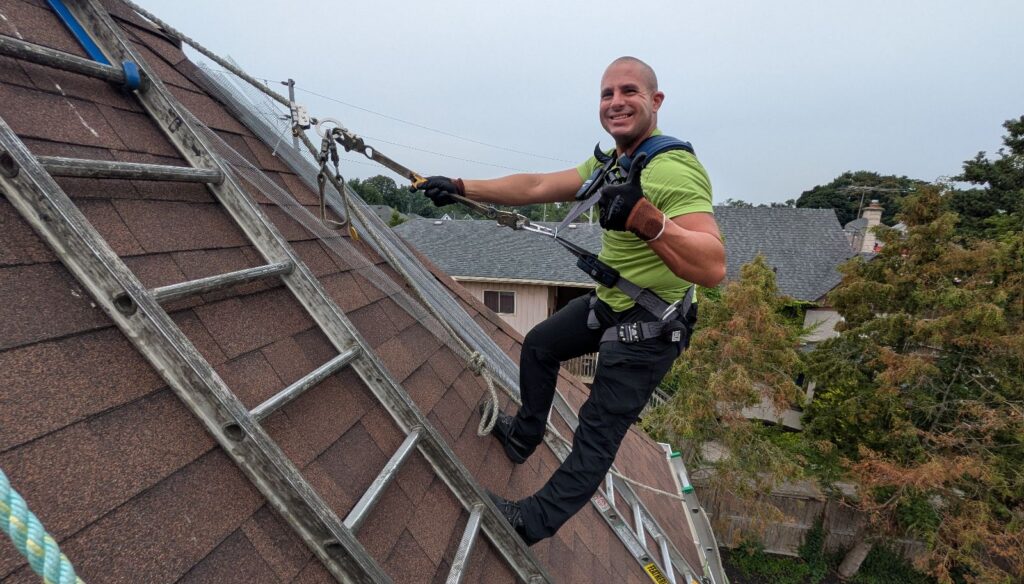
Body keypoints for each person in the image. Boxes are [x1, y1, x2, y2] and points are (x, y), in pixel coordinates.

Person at [414, 56, 726, 545]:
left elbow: (712, 266)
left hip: (649, 328)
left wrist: (650, 221)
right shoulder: (613, 164)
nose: (617, 102)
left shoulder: (672, 170)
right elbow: (538, 185)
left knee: (595, 433)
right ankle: (524, 437)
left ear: (655, 101)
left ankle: (529, 523)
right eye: (607, 94)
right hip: (611, 303)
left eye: (629, 92)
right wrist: (459, 186)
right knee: (540, 344)